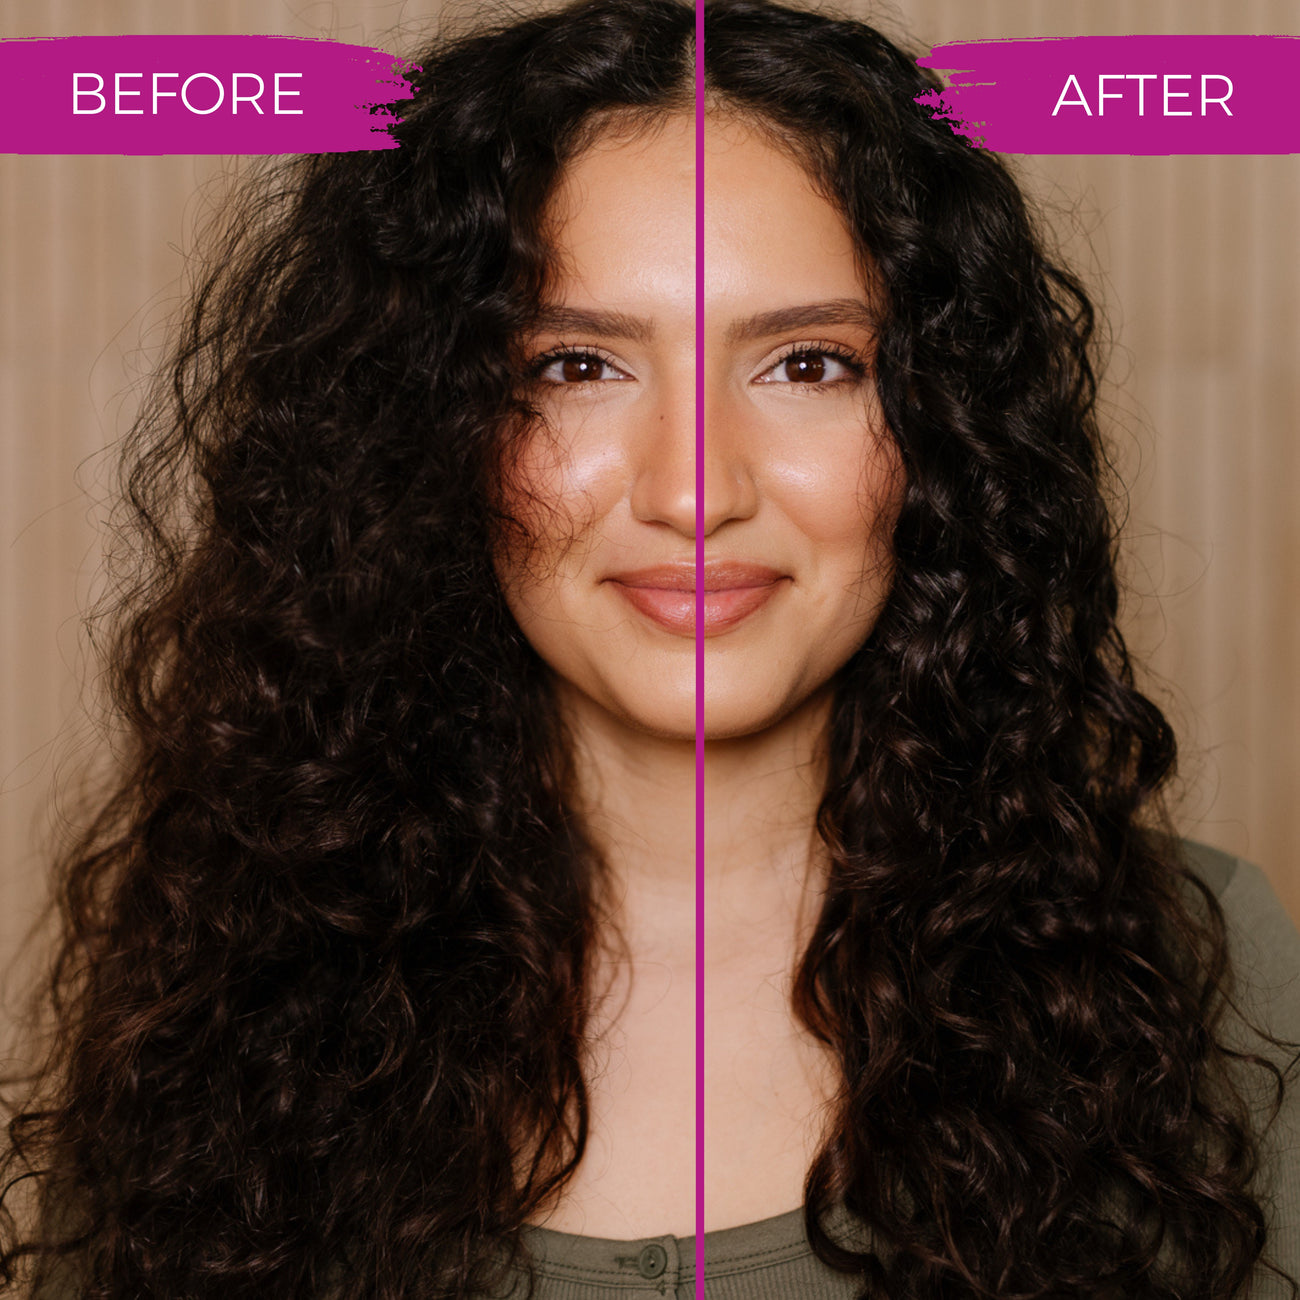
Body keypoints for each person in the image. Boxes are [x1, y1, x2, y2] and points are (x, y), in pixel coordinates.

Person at [1, 0, 1296, 1297]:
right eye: (575, 365)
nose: (695, 488)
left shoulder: (1205, 971)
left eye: (806, 363)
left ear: (941, 429)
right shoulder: (219, 999)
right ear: (427, 435)